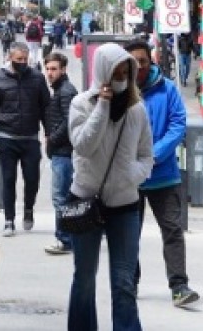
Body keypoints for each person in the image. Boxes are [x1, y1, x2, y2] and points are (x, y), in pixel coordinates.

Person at [66, 43, 155, 331]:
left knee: (124, 282)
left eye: (125, 72)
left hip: (125, 205)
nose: (120, 77)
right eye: (115, 71)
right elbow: (84, 145)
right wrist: (102, 106)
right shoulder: (81, 104)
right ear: (103, 70)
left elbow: (146, 155)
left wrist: (131, 175)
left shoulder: (137, 110)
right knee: (84, 280)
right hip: (85, 202)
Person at [124, 37, 198, 307]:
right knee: (128, 234)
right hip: (129, 178)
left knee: (172, 230)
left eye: (142, 61)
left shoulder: (166, 89)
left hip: (163, 175)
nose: (139, 67)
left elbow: (178, 124)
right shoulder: (119, 91)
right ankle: (129, 283)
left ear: (151, 60)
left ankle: (179, 286)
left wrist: (154, 155)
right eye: (133, 63)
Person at [0, 41, 54, 236]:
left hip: (30, 137)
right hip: (6, 137)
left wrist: (49, 133)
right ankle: (9, 220)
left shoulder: (37, 79)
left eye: (25, 59)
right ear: (10, 58)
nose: (22, 62)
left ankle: (28, 208)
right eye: (18, 59)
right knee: (8, 179)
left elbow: (46, 107)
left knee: (32, 179)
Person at [42, 51, 80, 256]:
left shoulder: (65, 91)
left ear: (63, 69)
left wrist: (52, 139)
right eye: (47, 69)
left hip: (63, 152)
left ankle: (64, 239)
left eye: (54, 69)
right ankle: (67, 237)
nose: (49, 73)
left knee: (61, 197)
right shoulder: (61, 90)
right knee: (64, 196)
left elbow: (68, 122)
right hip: (62, 151)